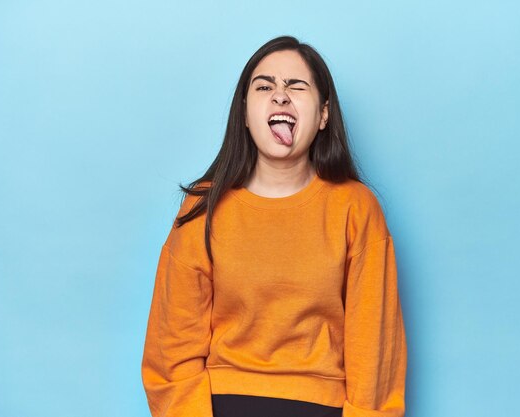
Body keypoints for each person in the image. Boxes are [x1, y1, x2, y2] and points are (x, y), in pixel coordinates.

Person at [141, 35, 407, 417]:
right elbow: (170, 351)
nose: (279, 96)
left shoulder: (356, 209)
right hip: (220, 405)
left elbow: (376, 350)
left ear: (324, 115)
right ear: (246, 113)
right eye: (264, 86)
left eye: (296, 86)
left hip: (322, 406)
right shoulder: (205, 206)